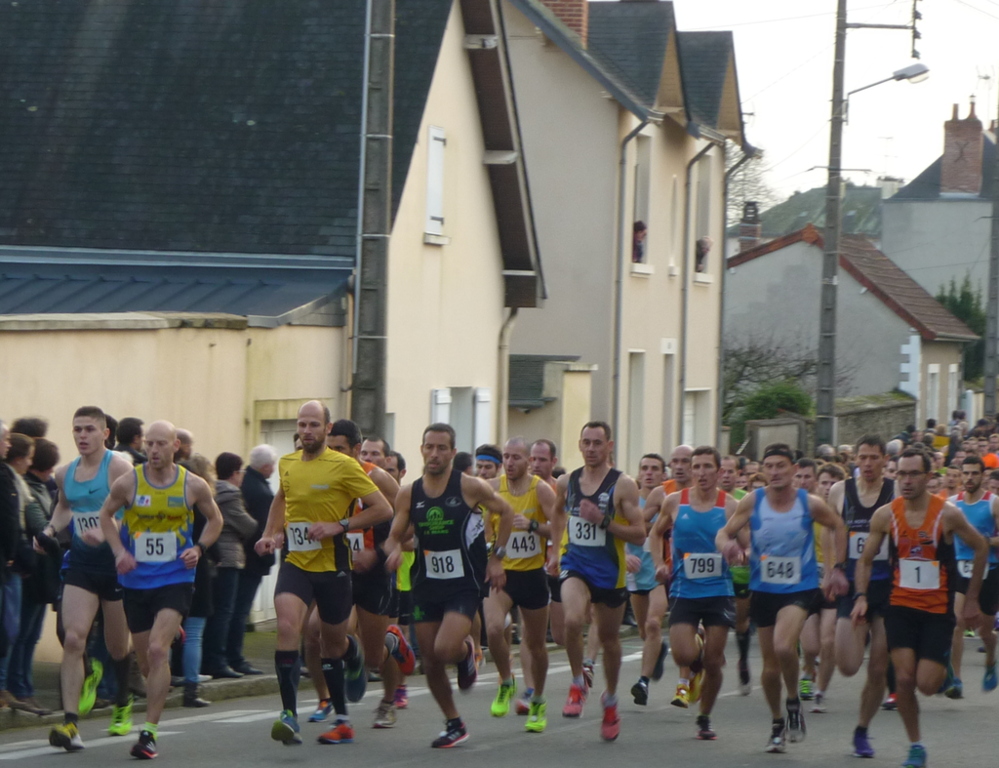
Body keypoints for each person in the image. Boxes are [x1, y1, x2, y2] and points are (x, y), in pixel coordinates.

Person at [254, 401, 391, 747]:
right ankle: (288, 715)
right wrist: (270, 533)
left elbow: (383, 508)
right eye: (302, 425)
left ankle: (343, 717)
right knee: (288, 627)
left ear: (327, 429)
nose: (307, 431)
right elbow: (281, 499)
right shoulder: (287, 463)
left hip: (333, 568)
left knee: (333, 644)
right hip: (296, 563)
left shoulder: (344, 465)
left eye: (314, 425)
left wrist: (339, 525)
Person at [851, 448, 989, 768]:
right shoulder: (886, 515)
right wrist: (860, 596)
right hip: (900, 606)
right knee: (903, 680)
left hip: (937, 610)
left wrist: (971, 599)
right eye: (901, 474)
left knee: (926, 685)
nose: (907, 480)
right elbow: (865, 560)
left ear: (928, 477)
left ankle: (943, 667)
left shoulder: (947, 514)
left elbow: (980, 547)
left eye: (914, 474)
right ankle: (916, 746)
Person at [99, 420, 224, 759]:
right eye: (149, 444)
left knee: (157, 651)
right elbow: (105, 516)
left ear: (175, 446)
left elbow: (216, 520)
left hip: (175, 578)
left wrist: (199, 548)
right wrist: (119, 552)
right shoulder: (129, 482)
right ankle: (169, 632)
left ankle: (149, 734)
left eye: (160, 444)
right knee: (146, 664)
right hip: (136, 581)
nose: (153, 450)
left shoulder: (192, 485)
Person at [385, 423, 512, 748]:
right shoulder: (409, 493)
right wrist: (395, 550)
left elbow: (506, 511)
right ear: (422, 450)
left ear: (453, 453)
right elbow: (394, 536)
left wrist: (497, 558)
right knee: (431, 660)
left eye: (442, 448)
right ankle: (454, 723)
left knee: (444, 649)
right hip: (426, 583)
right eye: (429, 447)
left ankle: (467, 651)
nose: (435, 454)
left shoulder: (469, 486)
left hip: (463, 583)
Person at [715, 443, 848, 754]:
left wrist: (837, 568)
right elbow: (724, 533)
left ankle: (792, 699)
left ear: (793, 470)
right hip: (764, 589)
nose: (774, 472)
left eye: (781, 466)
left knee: (784, 646)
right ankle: (778, 721)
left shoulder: (809, 503)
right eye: (769, 466)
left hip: (799, 588)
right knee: (770, 667)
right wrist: (728, 547)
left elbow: (838, 526)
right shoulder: (753, 501)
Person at [40, 407, 135, 751]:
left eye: (89, 429)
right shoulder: (65, 473)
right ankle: (70, 724)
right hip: (81, 564)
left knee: (117, 647)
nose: (82, 436)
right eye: (77, 429)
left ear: (105, 433)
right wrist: (50, 529)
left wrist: (110, 530)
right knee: (73, 639)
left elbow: (137, 513)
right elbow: (64, 507)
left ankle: (122, 700)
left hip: (116, 565)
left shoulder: (119, 468)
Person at [316, 419, 412, 734]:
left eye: (339, 449)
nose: (332, 454)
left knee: (375, 656)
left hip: (374, 574)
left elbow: (408, 520)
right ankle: (338, 707)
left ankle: (388, 699)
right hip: (339, 569)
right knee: (323, 631)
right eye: (329, 448)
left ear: (356, 450)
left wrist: (382, 551)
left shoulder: (378, 478)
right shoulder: (323, 476)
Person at [551, 422, 645, 741]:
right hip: (575, 564)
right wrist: (555, 550)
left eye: (597, 443)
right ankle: (578, 682)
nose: (591, 448)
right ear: (579, 445)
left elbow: (639, 534)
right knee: (572, 620)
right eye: (586, 442)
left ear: (609, 446)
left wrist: (603, 521)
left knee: (609, 639)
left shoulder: (623, 485)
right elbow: (557, 514)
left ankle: (611, 699)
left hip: (609, 571)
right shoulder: (566, 482)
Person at [650, 446, 740, 740]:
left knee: (713, 662)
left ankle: (704, 717)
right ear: (690, 470)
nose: (701, 472)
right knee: (683, 655)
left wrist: (741, 553)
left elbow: (748, 543)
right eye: (696, 467)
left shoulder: (730, 506)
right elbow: (655, 533)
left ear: (719, 471)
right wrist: (658, 564)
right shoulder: (675, 502)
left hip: (719, 591)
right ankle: (697, 645)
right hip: (684, 589)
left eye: (707, 467)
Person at [824, 436, 896, 757]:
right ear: (855, 459)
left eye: (873, 458)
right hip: (852, 585)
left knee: (878, 667)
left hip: (889, 587)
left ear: (884, 460)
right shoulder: (840, 491)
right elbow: (830, 531)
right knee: (848, 665)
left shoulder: (896, 491)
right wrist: (833, 570)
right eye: (862, 457)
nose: (867, 464)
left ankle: (862, 730)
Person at [484, 437, 556, 732]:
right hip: (502, 573)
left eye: (516, 457)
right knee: (492, 628)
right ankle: (506, 680)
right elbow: (483, 527)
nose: (509, 462)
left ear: (528, 461)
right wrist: (490, 556)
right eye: (506, 457)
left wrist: (534, 526)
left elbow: (559, 527)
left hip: (533, 575)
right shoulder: (492, 488)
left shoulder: (540, 489)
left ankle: (538, 700)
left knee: (536, 646)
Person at [8, 438, 60, 714]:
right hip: (31, 569)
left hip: (40, 570)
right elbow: (40, 523)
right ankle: (19, 688)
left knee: (31, 635)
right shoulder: (26, 487)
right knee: (22, 634)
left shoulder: (39, 486)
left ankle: (25, 688)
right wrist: (53, 536)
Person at [945, 455, 999, 697]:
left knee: (984, 632)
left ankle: (991, 658)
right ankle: (956, 679)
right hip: (960, 568)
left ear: (982, 476)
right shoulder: (951, 504)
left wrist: (985, 542)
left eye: (974, 473)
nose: (969, 478)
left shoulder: (993, 503)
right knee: (957, 622)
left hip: (990, 570)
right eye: (965, 473)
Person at [201, 452, 257, 679]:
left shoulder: (210, 490)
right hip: (229, 557)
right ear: (235, 473)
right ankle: (218, 660)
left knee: (212, 612)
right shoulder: (232, 494)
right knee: (224, 612)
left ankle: (208, 658)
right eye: (241, 471)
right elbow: (247, 525)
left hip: (211, 556)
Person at [625, 453, 670, 707]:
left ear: (663, 474)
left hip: (658, 572)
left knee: (653, 624)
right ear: (639, 473)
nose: (649, 473)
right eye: (645, 468)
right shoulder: (629, 501)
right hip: (635, 573)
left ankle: (642, 682)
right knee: (644, 631)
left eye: (655, 468)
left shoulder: (668, 500)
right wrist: (624, 557)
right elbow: (617, 532)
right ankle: (658, 649)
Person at [229, 445, 278, 676]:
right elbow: (262, 528)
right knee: (240, 610)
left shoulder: (244, 482)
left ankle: (230, 655)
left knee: (233, 610)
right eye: (273, 465)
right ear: (266, 466)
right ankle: (236, 657)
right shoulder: (262, 492)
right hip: (252, 560)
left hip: (239, 557)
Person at [808, 462, 845, 713]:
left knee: (828, 639)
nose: (828, 487)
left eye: (833, 483)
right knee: (811, 645)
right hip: (807, 582)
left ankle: (820, 690)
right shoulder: (807, 512)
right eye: (824, 482)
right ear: (817, 485)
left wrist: (833, 572)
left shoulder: (844, 518)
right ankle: (807, 668)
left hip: (832, 582)